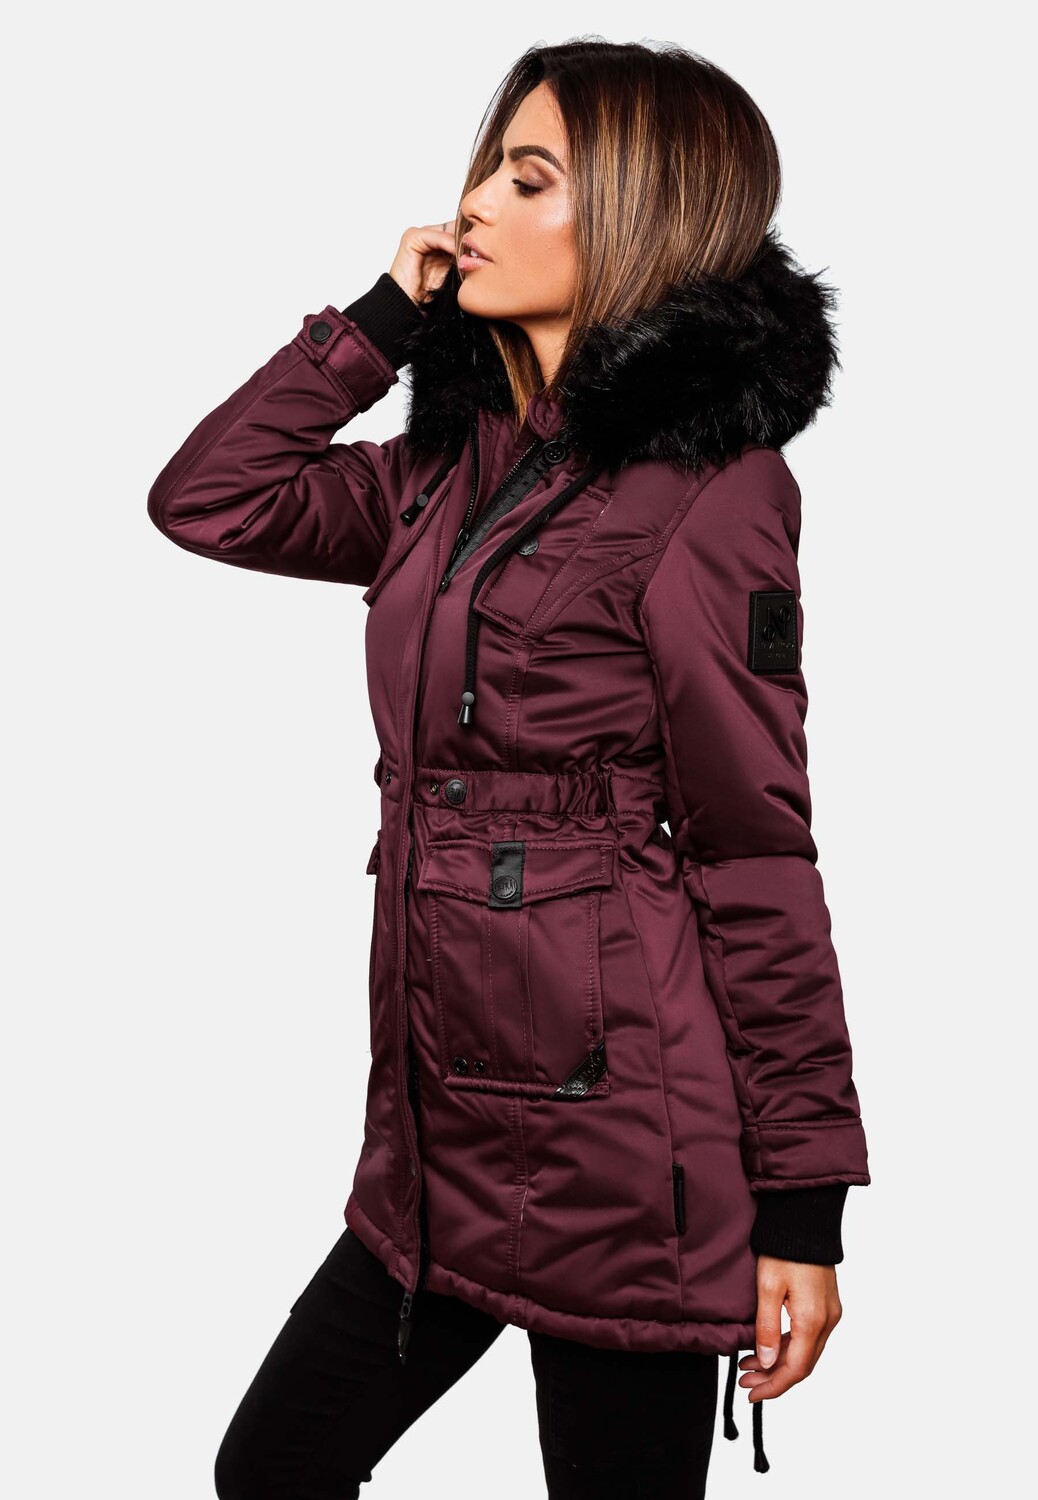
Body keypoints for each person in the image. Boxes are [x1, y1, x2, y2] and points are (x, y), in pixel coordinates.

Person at [147, 37, 870, 1499]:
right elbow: (210, 499)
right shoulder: (445, 469)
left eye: (528, 178)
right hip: (437, 1134)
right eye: (487, 165)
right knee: (271, 1471)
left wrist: (802, 1206)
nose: (473, 203)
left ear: (640, 218)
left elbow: (752, 849)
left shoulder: (711, 491)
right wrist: (373, 326)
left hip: (625, 1155)